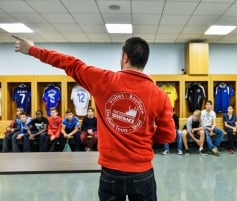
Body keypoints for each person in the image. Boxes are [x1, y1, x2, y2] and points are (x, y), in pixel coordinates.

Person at [13, 35, 175, 201]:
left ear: (125, 57)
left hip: (111, 171)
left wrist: (33, 50)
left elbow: (70, 63)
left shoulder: (103, 80)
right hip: (142, 172)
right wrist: (145, 131)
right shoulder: (160, 95)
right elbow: (168, 136)